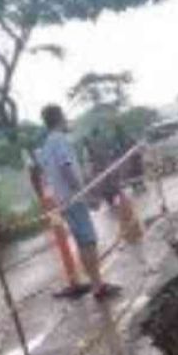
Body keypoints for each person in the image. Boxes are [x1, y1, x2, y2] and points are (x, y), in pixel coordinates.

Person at [37, 104, 120, 301]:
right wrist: (85, 194)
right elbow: (66, 169)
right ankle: (98, 286)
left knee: (83, 242)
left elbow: (48, 174)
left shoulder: (47, 144)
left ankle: (96, 283)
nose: (66, 120)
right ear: (59, 118)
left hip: (63, 200)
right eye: (64, 117)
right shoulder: (60, 140)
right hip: (73, 198)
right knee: (89, 241)